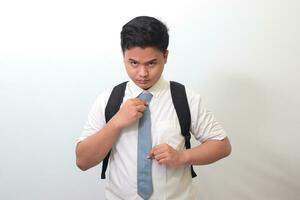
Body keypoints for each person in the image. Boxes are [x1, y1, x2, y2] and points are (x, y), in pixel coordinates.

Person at [75, 16, 231, 200]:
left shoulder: (186, 98)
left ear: (165, 56)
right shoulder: (108, 100)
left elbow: (222, 146)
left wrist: (182, 156)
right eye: (133, 63)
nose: (142, 73)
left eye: (151, 63)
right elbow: (83, 161)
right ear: (123, 55)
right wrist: (116, 122)